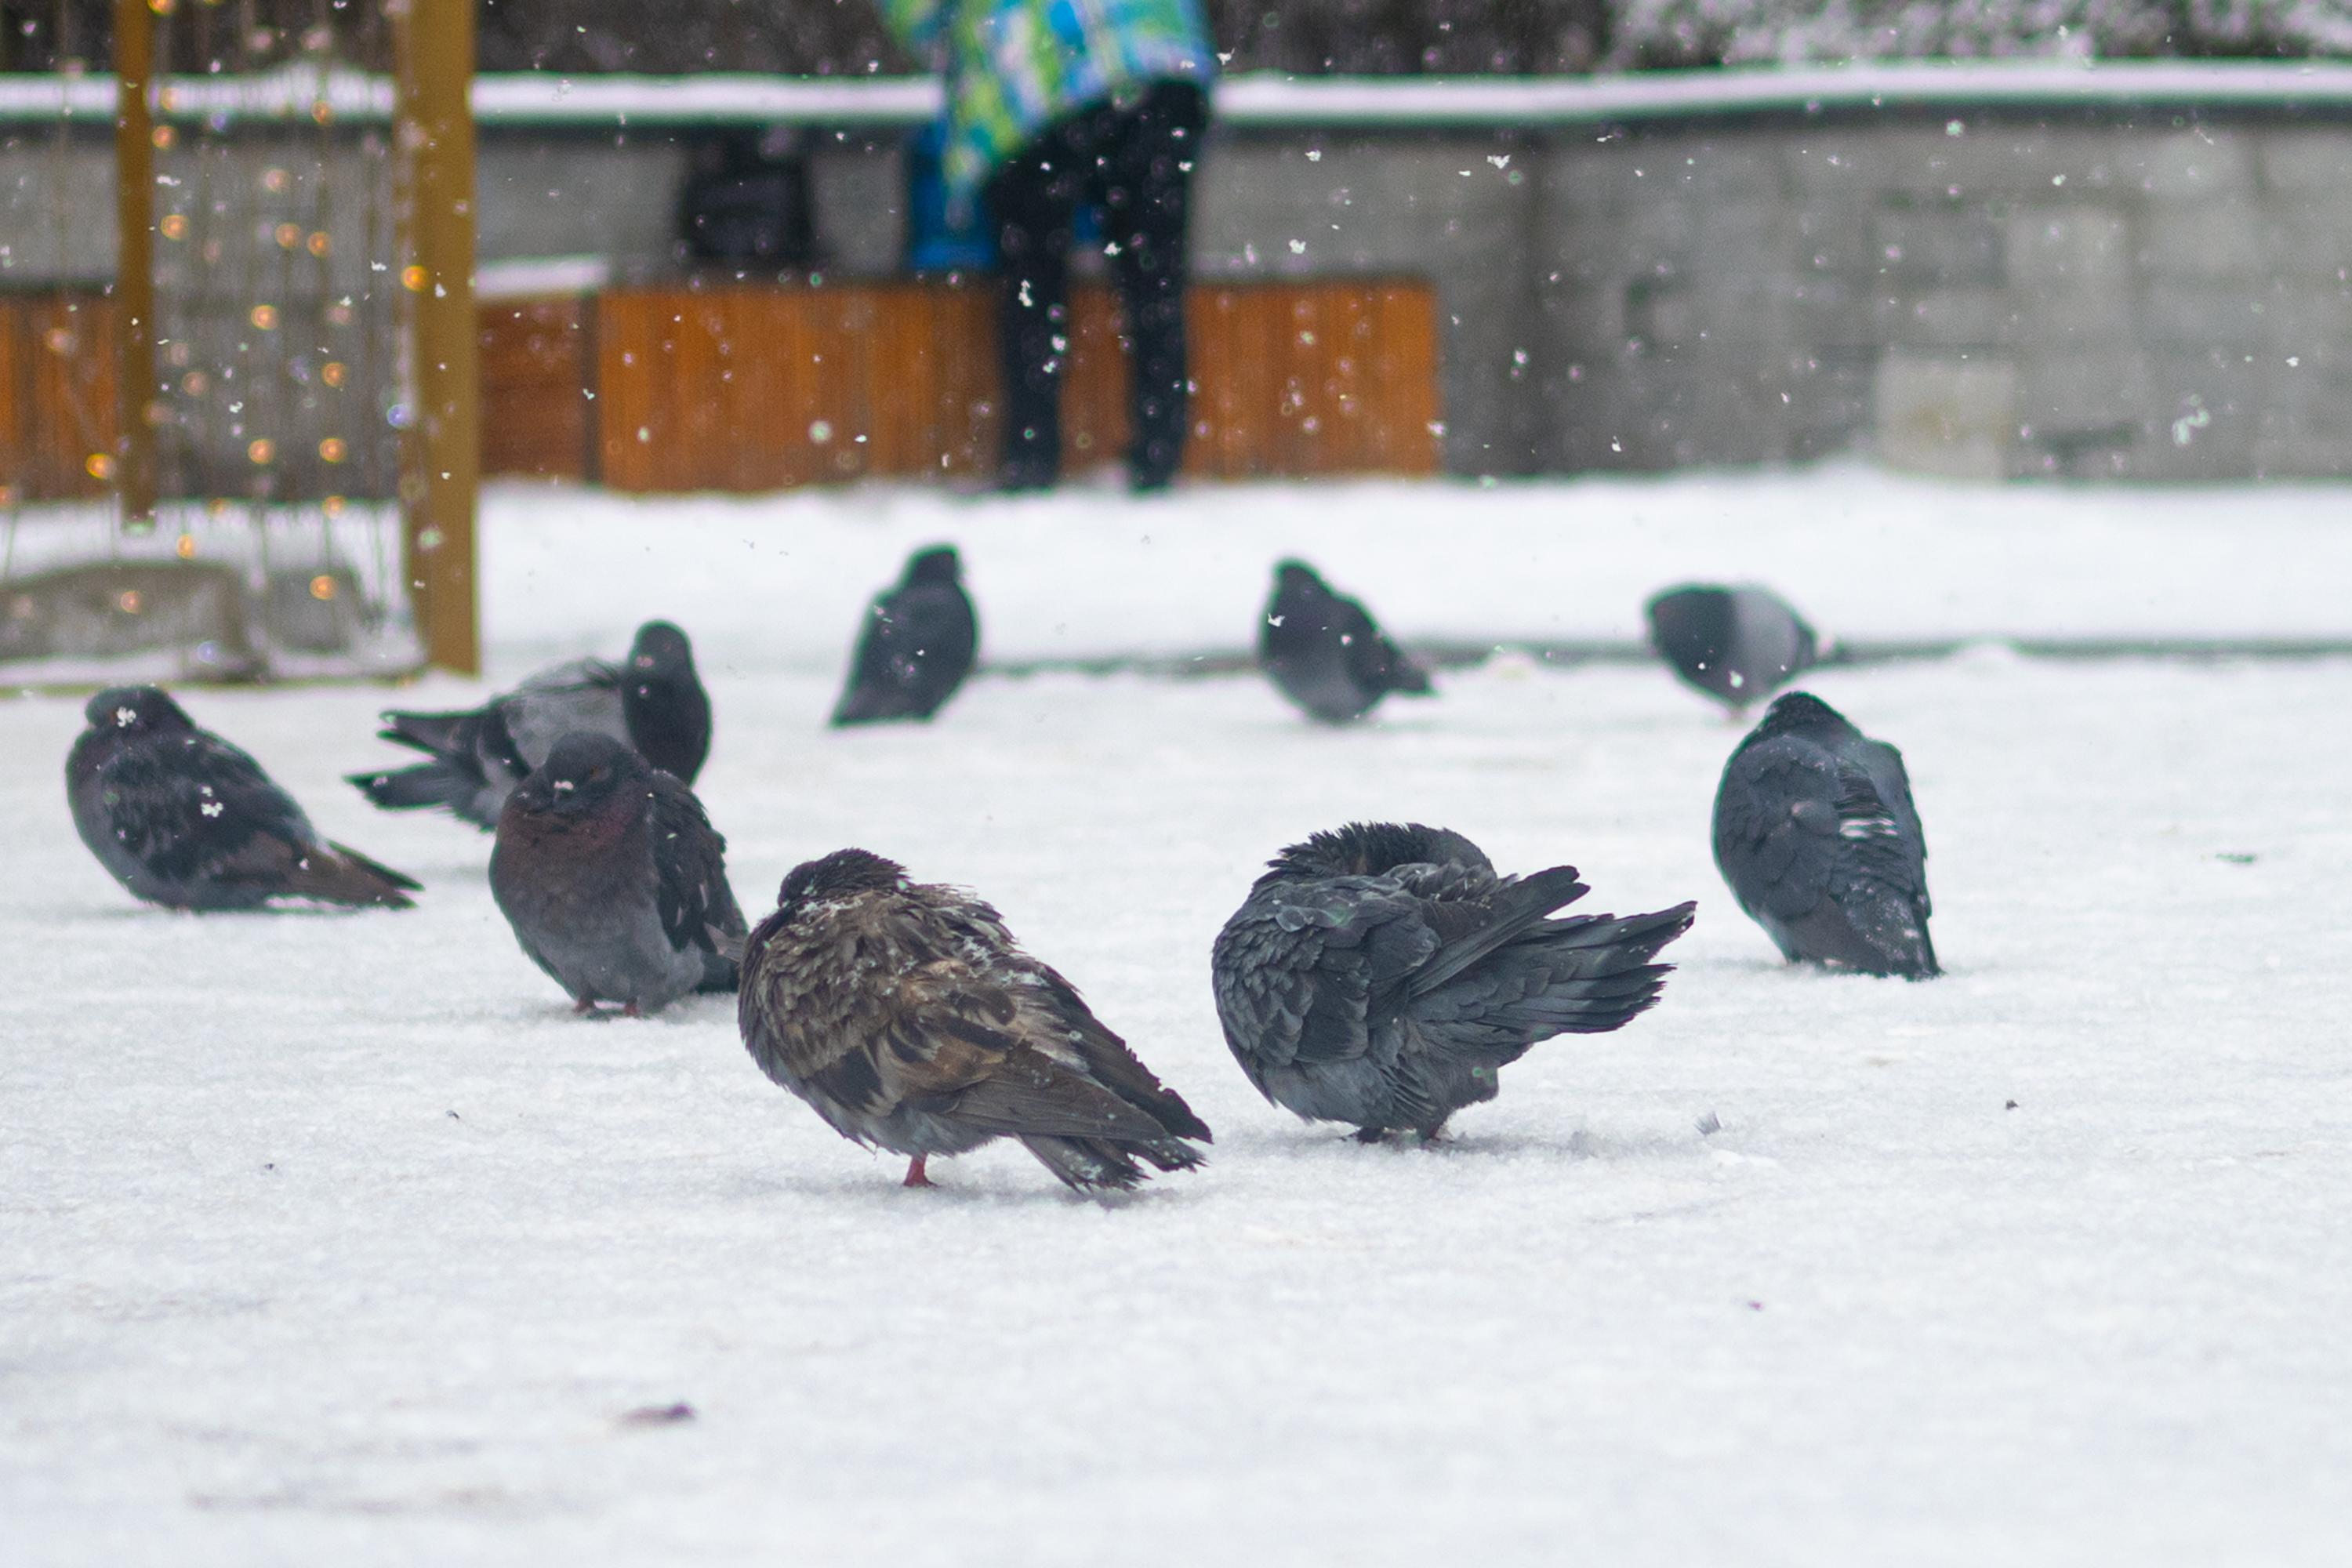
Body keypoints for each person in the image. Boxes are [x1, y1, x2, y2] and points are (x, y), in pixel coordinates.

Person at [882, 0, 1216, 492]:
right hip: (1155, 56)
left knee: (1032, 287)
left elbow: (919, 17)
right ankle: (1159, 454)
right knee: (1155, 280)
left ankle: (1031, 455)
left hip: (1032, 78)